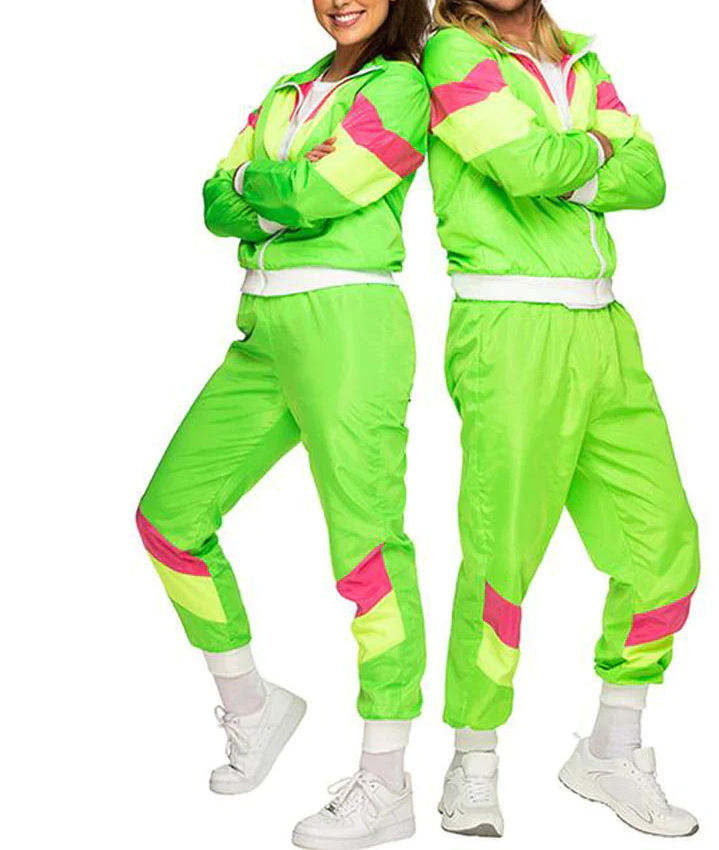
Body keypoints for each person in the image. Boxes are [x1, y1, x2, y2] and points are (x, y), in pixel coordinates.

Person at [135, 2, 431, 847]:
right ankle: (253, 704)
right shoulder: (288, 90)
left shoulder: (402, 88)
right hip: (262, 331)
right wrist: (280, 195)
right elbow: (213, 202)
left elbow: (322, 191)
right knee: (168, 520)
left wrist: (263, 190)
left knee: (368, 550)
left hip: (349, 328)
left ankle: (386, 780)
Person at [422, 0, 700, 838]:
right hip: (509, 328)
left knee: (663, 547)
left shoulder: (580, 59)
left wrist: (567, 165)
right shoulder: (451, 54)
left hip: (606, 327)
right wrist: (596, 156)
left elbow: (651, 177)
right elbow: (520, 165)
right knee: (501, 554)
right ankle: (473, 761)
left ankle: (612, 750)